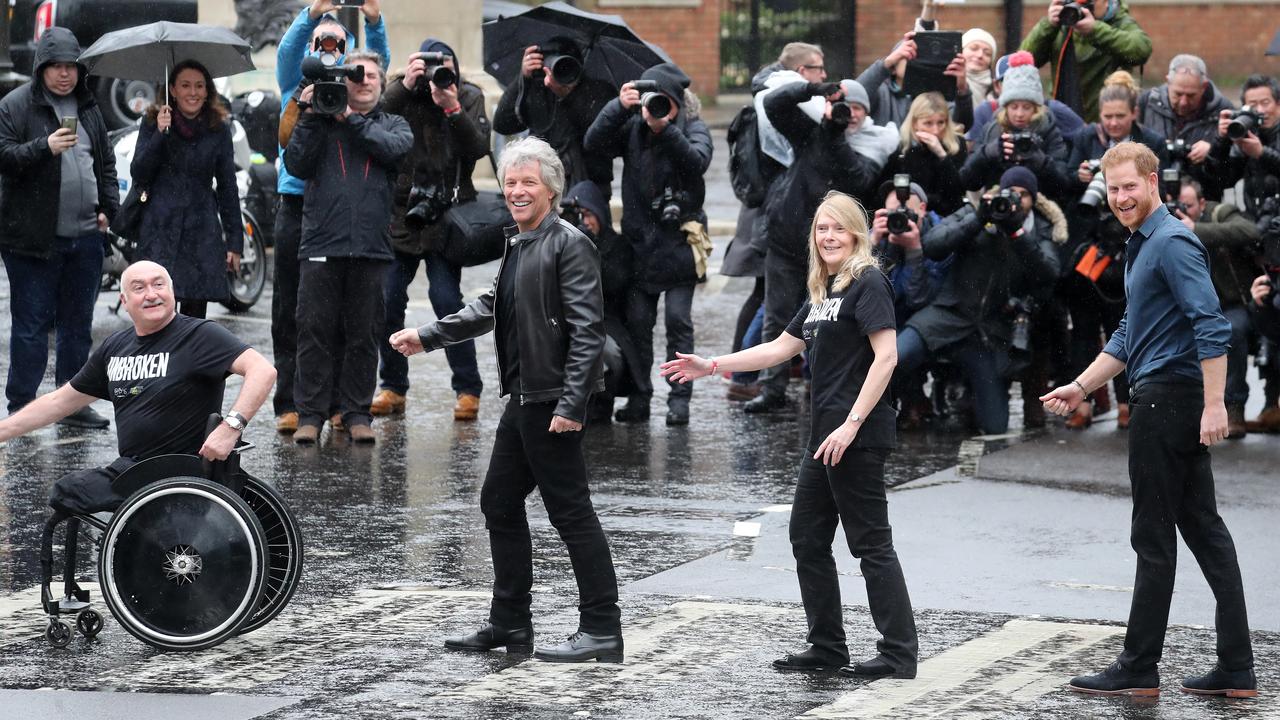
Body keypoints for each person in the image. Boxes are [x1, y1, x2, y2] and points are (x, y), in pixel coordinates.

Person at [660, 191, 918, 678]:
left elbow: (887, 357)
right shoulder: (825, 291)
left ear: (856, 234)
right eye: (821, 229)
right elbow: (780, 347)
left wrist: (852, 424)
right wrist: (712, 365)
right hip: (824, 435)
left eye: (838, 228)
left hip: (854, 435)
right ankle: (827, 646)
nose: (828, 237)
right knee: (806, 536)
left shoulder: (868, 283)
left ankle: (899, 653)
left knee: (870, 545)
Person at [389, 137, 623, 663]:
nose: (517, 191)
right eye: (511, 183)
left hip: (551, 400)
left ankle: (603, 629)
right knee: (498, 501)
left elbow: (589, 332)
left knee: (571, 513)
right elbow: (493, 304)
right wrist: (427, 336)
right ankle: (511, 623)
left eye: (528, 183)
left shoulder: (569, 242)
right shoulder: (520, 240)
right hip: (525, 398)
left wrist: (571, 405)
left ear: (551, 189)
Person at [1042, 142, 1256, 699]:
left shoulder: (1173, 241)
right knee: (1205, 534)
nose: (1120, 198)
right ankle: (1236, 669)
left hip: (1169, 403)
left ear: (1153, 181)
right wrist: (1082, 385)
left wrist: (1215, 405)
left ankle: (1139, 667)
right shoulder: (1143, 244)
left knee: (1153, 536)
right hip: (1167, 396)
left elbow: (1212, 325)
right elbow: (1128, 334)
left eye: (1129, 187)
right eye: (1112, 190)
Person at [0, 261, 276, 496]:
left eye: (159, 285)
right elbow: (60, 401)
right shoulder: (115, 347)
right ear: (124, 301)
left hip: (185, 470)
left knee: (69, 491)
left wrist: (230, 428)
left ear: (172, 292)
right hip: (133, 469)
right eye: (139, 288)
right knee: (68, 492)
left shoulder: (200, 335)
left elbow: (262, 371)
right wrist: (4, 431)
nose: (151, 294)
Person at [271, 0, 389, 434]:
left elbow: (379, 67)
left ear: (348, 50)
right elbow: (287, 52)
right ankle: (290, 403)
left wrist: (374, 21)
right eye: (320, 40)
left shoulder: (351, 92)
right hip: (298, 205)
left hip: (341, 210)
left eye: (337, 42)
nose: (328, 47)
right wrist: (311, 13)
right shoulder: (296, 83)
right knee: (292, 312)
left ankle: (341, 404)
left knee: (344, 315)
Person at [284, 51, 412, 445]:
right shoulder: (320, 120)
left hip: (372, 248)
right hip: (322, 243)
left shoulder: (394, 124)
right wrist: (309, 115)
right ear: (343, 82)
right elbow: (296, 165)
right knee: (313, 332)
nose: (364, 81)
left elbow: (395, 151)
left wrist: (352, 121)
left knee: (363, 334)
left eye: (372, 75)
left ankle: (357, 413)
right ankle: (310, 415)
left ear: (382, 82)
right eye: (356, 76)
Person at [583, 63, 713, 426]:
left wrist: (667, 130)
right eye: (652, 103)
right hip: (641, 248)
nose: (657, 109)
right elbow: (594, 144)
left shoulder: (694, 129)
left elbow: (697, 161)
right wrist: (618, 108)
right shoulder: (633, 128)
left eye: (665, 103)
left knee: (677, 322)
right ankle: (641, 397)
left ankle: (679, 399)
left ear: (677, 104)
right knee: (639, 323)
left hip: (680, 247)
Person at [0, 27, 117, 429]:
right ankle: (22, 407)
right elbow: (4, 157)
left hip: (85, 238)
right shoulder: (16, 105)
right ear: (42, 68)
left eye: (71, 66)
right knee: (31, 326)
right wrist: (43, 147)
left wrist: (108, 209)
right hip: (32, 240)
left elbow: (105, 164)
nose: (65, 74)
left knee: (77, 326)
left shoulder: (88, 107)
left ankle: (72, 403)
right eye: (57, 67)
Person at [746, 79, 881, 414]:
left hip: (833, 252)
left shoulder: (873, 146)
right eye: (844, 108)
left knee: (830, 320)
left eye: (856, 110)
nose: (848, 116)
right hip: (788, 239)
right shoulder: (810, 133)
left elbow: (859, 179)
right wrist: (814, 89)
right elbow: (774, 104)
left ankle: (821, 386)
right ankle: (772, 387)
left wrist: (835, 136)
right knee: (777, 316)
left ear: (866, 116)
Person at [373, 39, 489, 422]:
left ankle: (468, 389)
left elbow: (477, 149)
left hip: (446, 216)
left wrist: (452, 108)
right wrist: (404, 85)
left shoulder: (467, 95)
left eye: (445, 67)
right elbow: (375, 122)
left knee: (447, 301)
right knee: (388, 300)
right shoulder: (402, 92)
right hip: (402, 213)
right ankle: (392, 386)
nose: (438, 74)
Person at [897, 167, 1061, 434]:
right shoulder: (977, 210)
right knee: (895, 356)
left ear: (1033, 199)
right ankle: (894, 408)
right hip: (949, 313)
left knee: (995, 426)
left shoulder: (1040, 228)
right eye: (1009, 194)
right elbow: (933, 245)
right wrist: (978, 219)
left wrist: (1016, 232)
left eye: (1022, 196)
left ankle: (968, 397)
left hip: (990, 330)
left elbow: (1048, 273)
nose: (1013, 201)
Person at [722, 42, 831, 402]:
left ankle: (748, 373)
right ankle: (746, 374)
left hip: (771, 209)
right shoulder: (783, 99)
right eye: (818, 68)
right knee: (771, 302)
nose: (824, 75)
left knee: (768, 299)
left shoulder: (765, 91)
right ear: (802, 73)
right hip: (777, 212)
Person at [1061, 70, 1166, 430]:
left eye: (1121, 116)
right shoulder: (1083, 138)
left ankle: (1126, 402)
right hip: (1089, 246)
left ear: (1134, 114)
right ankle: (1083, 403)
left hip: (1129, 241)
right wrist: (1077, 176)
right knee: (1084, 327)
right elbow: (1064, 186)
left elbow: (1158, 189)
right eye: (1108, 117)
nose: (1115, 122)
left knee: (1125, 323)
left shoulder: (1150, 142)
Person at [130, 60, 242, 320]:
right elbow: (140, 172)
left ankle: (188, 363)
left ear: (207, 91)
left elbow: (227, 186)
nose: (193, 92)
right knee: (156, 311)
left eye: (199, 86)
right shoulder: (153, 121)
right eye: (185, 85)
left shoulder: (218, 129)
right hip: (160, 228)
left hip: (200, 230)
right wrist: (159, 133)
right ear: (173, 89)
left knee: (193, 320)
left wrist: (235, 242)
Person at [1174, 178, 1264, 439]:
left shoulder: (1218, 213)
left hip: (1231, 303)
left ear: (1201, 203)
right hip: (1190, 307)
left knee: (1230, 333)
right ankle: (1179, 408)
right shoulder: (1166, 222)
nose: (1182, 210)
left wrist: (1196, 229)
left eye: (1188, 205)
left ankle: (1233, 406)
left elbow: (1249, 231)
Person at [562, 180, 642, 424]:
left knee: (605, 354)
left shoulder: (617, 245)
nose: (585, 222)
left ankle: (600, 405)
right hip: (566, 320)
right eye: (578, 217)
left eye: (588, 215)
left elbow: (612, 282)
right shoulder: (561, 243)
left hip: (605, 323)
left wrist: (589, 247)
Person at [492, 41, 614, 198]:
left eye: (566, 63)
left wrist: (567, 95)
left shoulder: (598, 91)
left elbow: (600, 135)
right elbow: (502, 124)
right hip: (542, 184)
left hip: (589, 188)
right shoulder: (537, 88)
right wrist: (523, 79)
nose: (561, 68)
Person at [961, 51, 1072, 200]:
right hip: (998, 207)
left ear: (1036, 108)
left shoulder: (1048, 130)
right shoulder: (992, 130)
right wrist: (988, 153)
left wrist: (1040, 160)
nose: (1019, 114)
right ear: (1005, 107)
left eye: (1026, 107)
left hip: (1040, 209)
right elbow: (968, 181)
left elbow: (1063, 186)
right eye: (1014, 107)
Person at [1020, 0, 1151, 122]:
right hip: (1062, 119)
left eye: (1089, 3)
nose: (1082, 9)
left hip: (1106, 123)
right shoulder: (1064, 23)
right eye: (1078, 3)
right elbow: (1022, 62)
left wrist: (1095, 30)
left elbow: (1141, 50)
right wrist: (1048, 25)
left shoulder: (1119, 22)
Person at [1137, 55, 1234, 201]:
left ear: (1204, 87)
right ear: (1168, 82)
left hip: (1203, 199)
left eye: (1191, 96)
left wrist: (1213, 148)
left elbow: (1233, 172)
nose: (1183, 102)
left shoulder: (1223, 111)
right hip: (1154, 195)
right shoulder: (1147, 102)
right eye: (1178, 94)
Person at [856, 31, 974, 131]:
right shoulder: (881, 92)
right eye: (908, 57)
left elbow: (962, 124)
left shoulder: (936, 95)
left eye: (919, 58)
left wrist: (962, 89)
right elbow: (855, 94)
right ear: (893, 68)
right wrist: (886, 63)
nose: (913, 62)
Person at [967, 53, 1085, 148]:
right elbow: (972, 153)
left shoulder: (1052, 110)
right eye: (1009, 81)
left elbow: (1086, 135)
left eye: (1027, 107)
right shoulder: (985, 111)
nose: (1019, 114)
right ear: (996, 86)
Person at [880, 91, 968, 216]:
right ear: (915, 123)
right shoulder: (904, 150)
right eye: (928, 123)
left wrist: (942, 155)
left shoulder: (956, 144)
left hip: (950, 216)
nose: (935, 130)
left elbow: (958, 189)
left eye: (941, 122)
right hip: (915, 215)